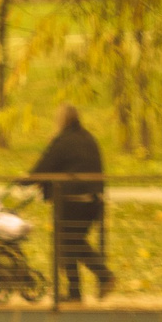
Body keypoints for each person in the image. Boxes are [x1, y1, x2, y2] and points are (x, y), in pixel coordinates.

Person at [29, 106, 113, 301]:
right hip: (94, 201)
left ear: (61, 120)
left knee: (69, 242)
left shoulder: (63, 141)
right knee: (70, 243)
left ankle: (103, 276)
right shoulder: (88, 138)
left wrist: (25, 180)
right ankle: (76, 292)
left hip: (74, 202)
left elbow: (45, 166)